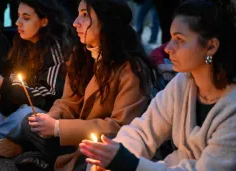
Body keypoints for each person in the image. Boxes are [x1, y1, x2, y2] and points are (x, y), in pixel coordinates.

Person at [79, 0, 236, 170]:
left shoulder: (231, 108)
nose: (168, 48)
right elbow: (144, 131)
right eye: (170, 38)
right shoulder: (183, 83)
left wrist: (128, 162)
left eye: (180, 40)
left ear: (211, 46)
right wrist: (111, 153)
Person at [15, 0, 157, 170]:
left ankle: (51, 161)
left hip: (105, 145)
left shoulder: (132, 68)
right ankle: (55, 160)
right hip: (76, 140)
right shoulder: (81, 55)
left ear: (106, 22)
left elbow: (119, 127)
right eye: (77, 14)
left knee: (101, 160)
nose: (75, 23)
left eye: (84, 15)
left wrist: (59, 128)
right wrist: (50, 119)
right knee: (28, 122)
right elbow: (67, 102)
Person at [0, 0, 75, 158]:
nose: (17, 23)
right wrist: (1, 100)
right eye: (17, 17)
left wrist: (3, 85)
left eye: (26, 18)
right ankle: (9, 141)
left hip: (41, 110)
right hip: (16, 105)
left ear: (44, 21)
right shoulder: (21, 43)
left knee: (28, 115)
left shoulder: (55, 48)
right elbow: (14, 81)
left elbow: (47, 96)